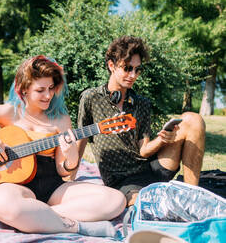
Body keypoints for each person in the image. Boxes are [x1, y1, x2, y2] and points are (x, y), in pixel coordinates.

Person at [0, 55, 126, 237]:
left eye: (51, 88)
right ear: (23, 89)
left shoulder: (60, 119)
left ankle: (38, 215)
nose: (48, 95)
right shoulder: (8, 112)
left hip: (52, 186)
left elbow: (63, 171)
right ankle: (77, 226)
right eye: (40, 90)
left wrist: (71, 155)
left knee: (115, 200)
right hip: (14, 185)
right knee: (3, 204)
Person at [77, 36, 206, 207]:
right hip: (122, 180)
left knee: (193, 119)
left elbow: (144, 151)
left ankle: (192, 199)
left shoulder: (142, 103)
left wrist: (161, 140)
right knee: (149, 204)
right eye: (127, 68)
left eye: (137, 70)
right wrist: (70, 177)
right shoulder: (91, 98)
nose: (133, 75)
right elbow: (81, 139)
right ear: (111, 65)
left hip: (150, 168)